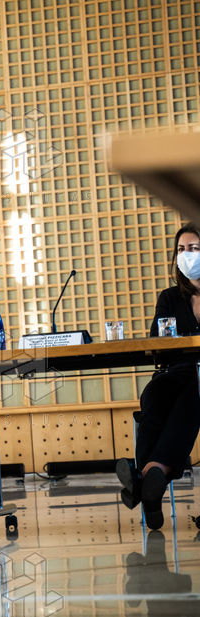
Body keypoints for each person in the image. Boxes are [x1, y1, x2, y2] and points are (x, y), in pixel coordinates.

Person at [116, 223, 200, 529]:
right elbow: (158, 342)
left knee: (194, 394)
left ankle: (148, 477)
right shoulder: (169, 297)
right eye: (181, 249)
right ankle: (153, 478)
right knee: (153, 395)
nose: (187, 254)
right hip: (175, 372)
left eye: (194, 248)